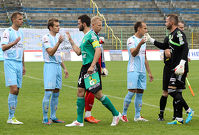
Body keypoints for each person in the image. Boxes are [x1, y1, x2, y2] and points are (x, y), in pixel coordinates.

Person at [65, 14, 121, 127]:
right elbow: (78, 52)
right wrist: (70, 40)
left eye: (78, 23)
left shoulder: (92, 35)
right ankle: (79, 121)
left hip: (91, 67)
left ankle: (116, 114)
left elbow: (98, 50)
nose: (78, 25)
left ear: (84, 24)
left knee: (98, 94)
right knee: (80, 92)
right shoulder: (85, 36)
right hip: (84, 67)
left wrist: (92, 66)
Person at [146, 14, 193, 124]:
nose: (165, 23)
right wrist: (151, 40)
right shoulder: (171, 35)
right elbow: (164, 46)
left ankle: (189, 110)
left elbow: (185, 47)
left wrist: (182, 63)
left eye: (166, 21)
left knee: (171, 90)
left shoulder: (179, 34)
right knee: (177, 92)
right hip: (175, 67)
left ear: (171, 23)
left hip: (180, 67)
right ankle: (179, 119)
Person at [121, 21, 153, 122]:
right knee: (132, 91)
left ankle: (137, 116)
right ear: (139, 29)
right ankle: (123, 115)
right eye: (145, 28)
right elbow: (133, 53)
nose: (146, 30)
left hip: (142, 70)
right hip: (133, 69)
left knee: (140, 92)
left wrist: (149, 72)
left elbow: (145, 57)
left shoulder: (144, 41)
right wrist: (140, 44)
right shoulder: (131, 40)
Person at [41, 18, 69, 125]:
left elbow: (58, 56)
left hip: (57, 67)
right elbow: (51, 53)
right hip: (49, 67)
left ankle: (53, 117)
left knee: (56, 93)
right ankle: (45, 118)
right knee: (48, 92)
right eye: (56, 26)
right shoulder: (46, 37)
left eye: (59, 25)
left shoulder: (58, 37)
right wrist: (58, 42)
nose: (59, 27)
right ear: (51, 27)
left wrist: (64, 68)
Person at [1, 12, 25, 124]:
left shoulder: (21, 33)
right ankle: (11, 117)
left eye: (22, 19)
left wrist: (23, 65)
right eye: (20, 19)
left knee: (17, 91)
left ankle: (12, 116)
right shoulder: (7, 32)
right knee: (14, 89)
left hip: (19, 63)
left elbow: (22, 49)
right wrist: (14, 42)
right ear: (14, 20)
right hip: (10, 62)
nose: (22, 21)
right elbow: (4, 47)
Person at [84, 16, 105, 124]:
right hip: (92, 66)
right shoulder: (92, 36)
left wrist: (103, 66)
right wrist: (93, 66)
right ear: (93, 25)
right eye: (99, 25)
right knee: (92, 91)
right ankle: (88, 115)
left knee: (90, 91)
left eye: (101, 25)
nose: (101, 27)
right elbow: (97, 52)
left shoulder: (96, 37)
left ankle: (87, 114)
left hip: (96, 66)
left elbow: (101, 53)